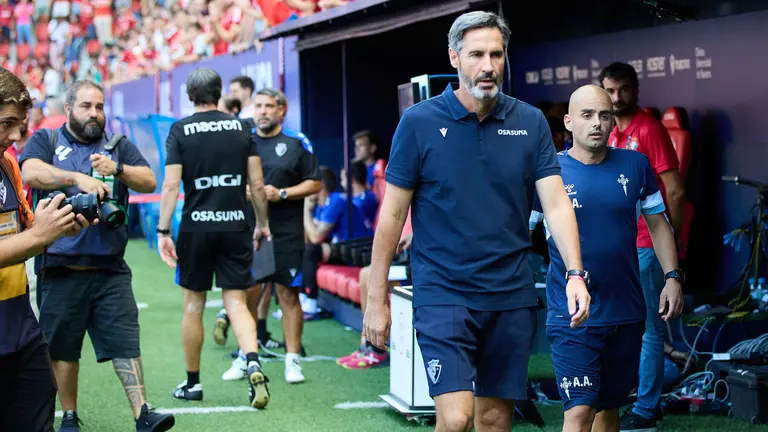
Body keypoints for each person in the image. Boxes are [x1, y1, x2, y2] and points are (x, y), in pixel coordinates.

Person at [363, 11, 589, 432]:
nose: (488, 66)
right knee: (455, 418)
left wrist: (575, 273)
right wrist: (377, 298)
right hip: (443, 292)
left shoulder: (531, 121)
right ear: (454, 58)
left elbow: (557, 205)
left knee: (494, 420)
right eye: (476, 55)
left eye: (496, 55)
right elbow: (392, 216)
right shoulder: (418, 123)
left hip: (510, 293)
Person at [19, 80, 174, 432]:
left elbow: (149, 180)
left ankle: (142, 414)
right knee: (62, 347)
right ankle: (69, 416)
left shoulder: (117, 146)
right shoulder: (48, 140)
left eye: (100, 106)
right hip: (60, 267)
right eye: (87, 106)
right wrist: (78, 179)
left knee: (125, 341)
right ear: (69, 108)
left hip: (110, 267)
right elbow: (30, 172)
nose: (94, 113)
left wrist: (116, 170)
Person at [529, 85, 684, 432]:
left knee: (608, 411)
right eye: (586, 115)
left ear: (613, 120)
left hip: (626, 311)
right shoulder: (548, 173)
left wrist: (673, 276)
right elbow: (518, 234)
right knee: (580, 411)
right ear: (568, 122)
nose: (597, 123)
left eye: (604, 115)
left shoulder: (636, 164)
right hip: (572, 316)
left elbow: (659, 226)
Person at [155, 68, 272, 410]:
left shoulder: (180, 130)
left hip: (196, 227)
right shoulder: (242, 127)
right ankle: (252, 362)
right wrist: (261, 223)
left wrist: (163, 231)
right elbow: (257, 184)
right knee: (235, 303)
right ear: (219, 92)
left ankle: (193, 383)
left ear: (190, 95)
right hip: (236, 224)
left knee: (193, 305)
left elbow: (171, 186)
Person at [0, 66, 95, 432]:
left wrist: (57, 224)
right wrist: (40, 236)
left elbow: (24, 230)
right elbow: (31, 238)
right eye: (7, 122)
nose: (14, 136)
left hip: (20, 329)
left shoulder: (8, 162)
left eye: (20, 125)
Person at [599, 62, 686, 432]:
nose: (617, 98)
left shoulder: (649, 129)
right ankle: (633, 397)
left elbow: (676, 190)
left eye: (623, 90)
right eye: (610, 91)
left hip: (646, 242)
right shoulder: (603, 130)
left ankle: (648, 407)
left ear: (636, 90)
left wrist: (672, 252)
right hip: (616, 245)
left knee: (650, 328)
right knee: (620, 326)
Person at [219, 87, 321, 384]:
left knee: (288, 295)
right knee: (248, 296)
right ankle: (244, 357)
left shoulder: (296, 143)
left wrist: (283, 193)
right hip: (251, 234)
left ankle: (293, 362)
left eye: (268, 106)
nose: (262, 111)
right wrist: (246, 192)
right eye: (258, 106)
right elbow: (228, 181)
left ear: (281, 110)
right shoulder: (243, 143)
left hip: (287, 234)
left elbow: (314, 183)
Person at [302, 161, 379, 318]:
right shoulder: (325, 204)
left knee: (311, 250)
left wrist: (304, 211)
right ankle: (302, 300)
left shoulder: (336, 200)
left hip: (362, 251)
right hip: (345, 248)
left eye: (310, 184)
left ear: (320, 185)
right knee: (304, 248)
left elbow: (315, 238)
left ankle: (309, 304)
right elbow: (308, 236)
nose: (307, 189)